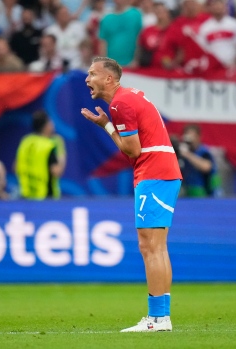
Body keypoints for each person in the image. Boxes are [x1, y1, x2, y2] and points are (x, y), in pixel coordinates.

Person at [81, 57, 182, 332]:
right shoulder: (127, 97)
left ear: (109, 79)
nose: (87, 79)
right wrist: (108, 125)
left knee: (151, 247)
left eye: (92, 74)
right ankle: (161, 317)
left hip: (154, 174)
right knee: (156, 247)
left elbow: (132, 150)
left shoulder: (120, 103)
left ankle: (157, 319)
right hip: (162, 172)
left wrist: (106, 127)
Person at [15, 110, 66, 199]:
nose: (52, 124)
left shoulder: (25, 142)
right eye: (50, 121)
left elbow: (16, 167)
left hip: (26, 196)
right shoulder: (48, 145)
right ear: (46, 126)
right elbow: (57, 171)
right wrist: (62, 154)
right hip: (46, 197)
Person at [179, 124, 220, 197]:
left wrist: (187, 154)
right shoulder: (182, 152)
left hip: (206, 193)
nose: (189, 139)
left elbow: (206, 167)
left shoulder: (204, 152)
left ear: (198, 137)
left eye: (192, 136)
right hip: (189, 192)